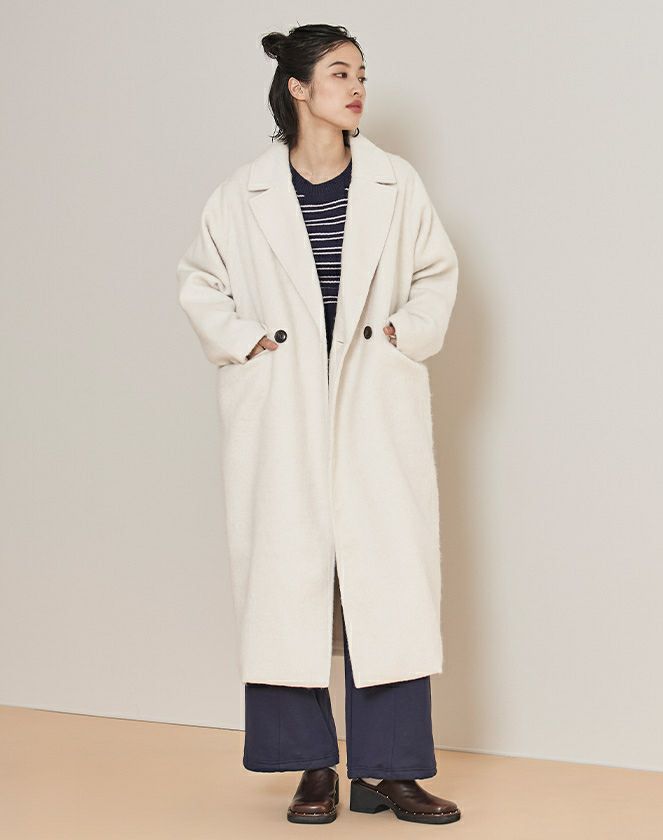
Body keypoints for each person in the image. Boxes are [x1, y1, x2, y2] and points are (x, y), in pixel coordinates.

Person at [176, 23, 460, 825]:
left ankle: (389, 771)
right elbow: (200, 281)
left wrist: (403, 334)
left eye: (361, 73)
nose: (357, 87)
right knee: (287, 580)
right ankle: (310, 768)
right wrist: (248, 344)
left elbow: (437, 274)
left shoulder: (396, 184)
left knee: (388, 581)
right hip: (283, 407)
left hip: (373, 400)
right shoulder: (243, 194)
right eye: (339, 73)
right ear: (297, 88)